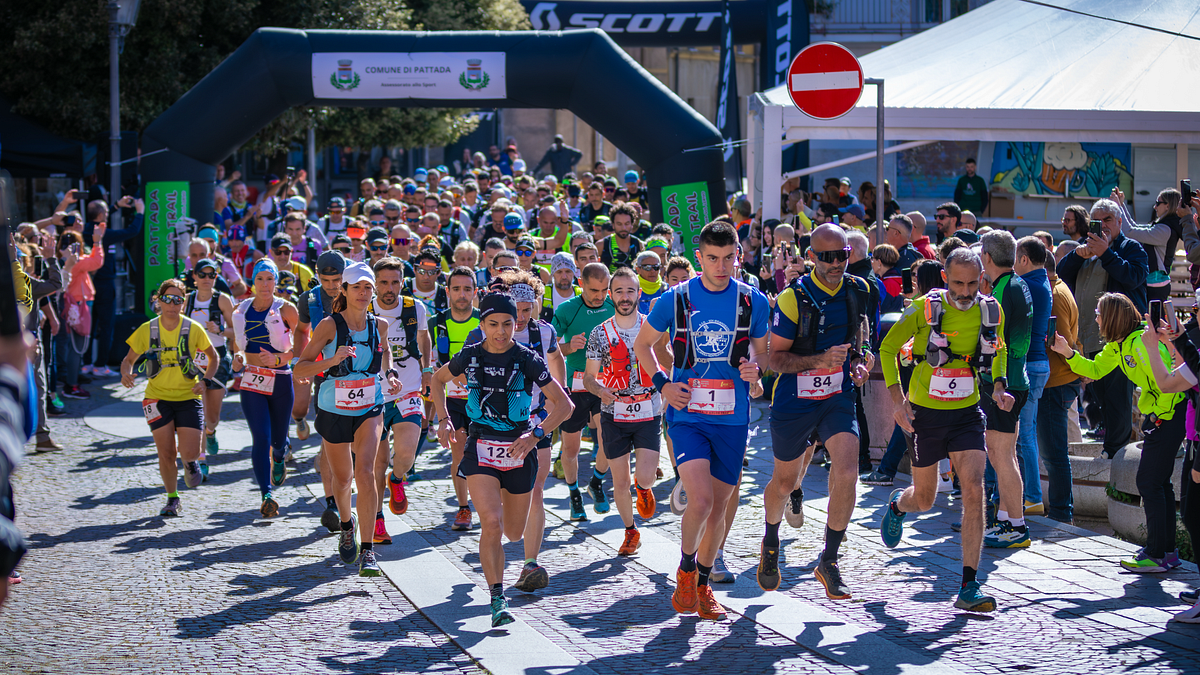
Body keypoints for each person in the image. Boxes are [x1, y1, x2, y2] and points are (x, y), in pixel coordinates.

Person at [634, 220, 771, 622]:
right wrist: (663, 384)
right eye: (712, 258)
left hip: (733, 417)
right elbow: (643, 345)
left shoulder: (753, 301)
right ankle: (686, 569)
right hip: (688, 415)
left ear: (738, 256)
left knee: (719, 508)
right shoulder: (675, 299)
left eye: (728, 258)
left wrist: (756, 370)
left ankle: (705, 583)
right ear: (699, 258)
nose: (721, 266)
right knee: (702, 500)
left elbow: (762, 353)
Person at [430, 292, 573, 627]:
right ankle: (497, 598)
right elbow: (437, 379)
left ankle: (507, 567)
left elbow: (565, 405)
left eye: (507, 324)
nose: (500, 331)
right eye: (493, 324)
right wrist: (443, 419)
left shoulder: (527, 358)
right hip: (480, 448)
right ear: (482, 324)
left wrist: (535, 435)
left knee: (513, 533)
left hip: (519, 451)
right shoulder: (471, 355)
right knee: (491, 523)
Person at [878, 248, 1006, 613]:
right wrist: (898, 401)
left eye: (972, 284)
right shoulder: (924, 309)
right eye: (957, 284)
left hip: (967, 413)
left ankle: (969, 585)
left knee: (974, 490)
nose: (965, 292)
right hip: (926, 416)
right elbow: (887, 348)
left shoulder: (990, 310)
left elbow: (999, 350)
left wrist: (999, 384)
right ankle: (898, 505)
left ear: (982, 279)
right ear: (946, 279)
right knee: (924, 500)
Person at [757, 224, 873, 599]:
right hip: (794, 400)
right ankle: (770, 539)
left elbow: (860, 337)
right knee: (785, 482)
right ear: (811, 258)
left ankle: (829, 560)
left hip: (837, 396)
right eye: (828, 257)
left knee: (848, 470)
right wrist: (820, 360)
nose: (837, 263)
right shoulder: (794, 299)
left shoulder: (858, 290)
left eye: (843, 256)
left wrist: (860, 361)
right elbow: (774, 360)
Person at [1052, 293, 1186, 572]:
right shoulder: (1119, 345)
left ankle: (1157, 554)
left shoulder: (1139, 343)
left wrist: (1158, 416)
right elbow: (1095, 370)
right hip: (1164, 416)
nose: (1096, 319)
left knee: (1149, 482)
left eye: (1099, 314)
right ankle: (1166, 552)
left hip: (1169, 415)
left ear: (1113, 317)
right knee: (1158, 482)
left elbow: (1169, 381)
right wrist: (1067, 353)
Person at [295, 262, 402, 577]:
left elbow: (385, 353)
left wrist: (390, 374)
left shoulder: (380, 325)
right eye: (357, 287)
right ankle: (346, 525)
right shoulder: (329, 325)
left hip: (370, 405)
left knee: (366, 473)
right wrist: (332, 359)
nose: (363, 293)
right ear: (344, 290)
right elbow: (300, 368)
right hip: (334, 408)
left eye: (368, 287)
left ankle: (368, 551)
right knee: (342, 480)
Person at [468, 270, 566, 593]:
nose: (521, 317)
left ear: (536, 305)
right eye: (517, 310)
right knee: (501, 501)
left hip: (535, 422)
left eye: (527, 309)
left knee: (536, 488)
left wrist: (559, 395)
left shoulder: (543, 332)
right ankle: (495, 538)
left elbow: (557, 359)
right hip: (494, 428)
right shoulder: (486, 333)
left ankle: (530, 562)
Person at [1056, 198, 1148, 457]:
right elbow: (1060, 276)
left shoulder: (1131, 248)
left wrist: (1106, 253)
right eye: (1096, 221)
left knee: (1117, 400)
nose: (1102, 225)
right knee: (1101, 399)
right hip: (1088, 337)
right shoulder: (1084, 250)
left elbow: (1133, 277)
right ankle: (1113, 450)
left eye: (1107, 219)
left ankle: (1116, 455)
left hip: (1119, 339)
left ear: (1119, 221)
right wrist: (1077, 255)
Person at [121, 279, 220, 517]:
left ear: (183, 303)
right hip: (156, 398)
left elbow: (213, 357)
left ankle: (190, 462)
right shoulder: (147, 329)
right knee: (165, 453)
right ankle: (172, 498)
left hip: (188, 396)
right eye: (167, 299)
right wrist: (126, 373)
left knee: (190, 451)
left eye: (178, 300)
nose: (172, 305)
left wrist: (205, 381)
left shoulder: (193, 328)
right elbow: (128, 359)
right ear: (158, 300)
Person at [583, 267, 662, 556]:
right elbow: (589, 377)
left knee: (646, 476)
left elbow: (667, 361)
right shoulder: (599, 333)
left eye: (630, 291)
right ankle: (630, 531)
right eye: (619, 291)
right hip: (613, 412)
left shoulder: (652, 327)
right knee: (620, 480)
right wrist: (599, 390)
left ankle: (644, 488)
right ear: (610, 295)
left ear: (639, 293)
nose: (625, 297)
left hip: (648, 409)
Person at [976, 231, 1034, 549]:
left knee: (1002, 456)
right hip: (1014, 380)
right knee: (1004, 454)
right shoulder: (1015, 283)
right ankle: (1006, 519)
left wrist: (999, 384)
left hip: (1005, 385)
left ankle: (1017, 525)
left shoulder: (1002, 290)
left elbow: (996, 342)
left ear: (986, 257)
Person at [231, 259, 300, 518]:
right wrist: (238, 357)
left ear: (276, 282)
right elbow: (238, 345)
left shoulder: (287, 309)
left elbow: (300, 346)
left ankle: (279, 456)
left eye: (269, 279)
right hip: (252, 380)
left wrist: (279, 359)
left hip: (280, 378)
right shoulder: (241, 310)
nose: (264, 284)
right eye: (260, 279)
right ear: (252, 282)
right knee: (260, 437)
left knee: (277, 440)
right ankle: (266, 495)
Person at [372, 257, 431, 545]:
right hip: (373, 394)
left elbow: (424, 338)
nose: (389, 288)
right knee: (377, 463)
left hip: (408, 389)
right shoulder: (365, 309)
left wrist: (428, 369)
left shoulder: (414, 307)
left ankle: (396, 479)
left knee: (406, 455)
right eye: (383, 282)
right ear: (375, 284)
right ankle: (377, 520)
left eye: (394, 282)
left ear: (402, 282)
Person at [551, 262, 615, 520]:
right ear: (581, 284)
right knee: (571, 448)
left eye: (604, 290)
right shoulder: (567, 309)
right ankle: (574, 493)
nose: (600, 296)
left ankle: (597, 482)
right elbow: (547, 346)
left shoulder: (613, 306)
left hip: (604, 384)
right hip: (575, 385)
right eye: (593, 291)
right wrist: (568, 347)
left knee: (609, 438)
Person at [431, 268, 482, 531]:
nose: (462, 295)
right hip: (452, 399)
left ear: (475, 292)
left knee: (486, 454)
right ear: (447, 291)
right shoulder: (436, 322)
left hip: (483, 399)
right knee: (459, 454)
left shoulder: (485, 321)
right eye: (456, 289)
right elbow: (429, 360)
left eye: (467, 289)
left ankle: (490, 503)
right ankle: (464, 508)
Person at [1038, 253, 1080, 524]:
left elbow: (1061, 341)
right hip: (1059, 379)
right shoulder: (1057, 288)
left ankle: (1061, 512)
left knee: (1054, 453)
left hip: (1057, 381)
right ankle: (1061, 510)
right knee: (1053, 452)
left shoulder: (1054, 294)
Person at [1013, 237, 1053, 516]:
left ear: (1024, 259)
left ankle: (1033, 498)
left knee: (1025, 436)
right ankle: (1031, 497)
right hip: (1038, 364)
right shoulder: (1043, 282)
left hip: (1029, 364)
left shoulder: (1027, 285)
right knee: (1026, 434)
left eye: (1015, 259)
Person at [85, 197, 144, 378]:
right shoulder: (106, 234)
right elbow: (132, 231)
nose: (108, 214)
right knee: (107, 326)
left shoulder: (85, 229)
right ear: (101, 214)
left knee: (89, 326)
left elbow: (99, 213)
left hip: (89, 284)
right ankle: (100, 365)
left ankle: (86, 364)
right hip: (104, 285)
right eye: (107, 212)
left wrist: (117, 205)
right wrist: (140, 212)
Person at [185, 259, 235, 461]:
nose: (207, 279)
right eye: (202, 275)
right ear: (194, 276)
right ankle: (200, 459)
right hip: (192, 360)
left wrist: (220, 330)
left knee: (212, 417)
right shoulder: (187, 300)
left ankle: (211, 432)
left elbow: (236, 331)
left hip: (217, 357)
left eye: (211, 275)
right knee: (197, 411)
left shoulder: (222, 300)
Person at [634, 251, 667, 315]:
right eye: (647, 267)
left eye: (656, 267)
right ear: (638, 270)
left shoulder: (666, 289)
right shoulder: (631, 289)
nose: (653, 271)